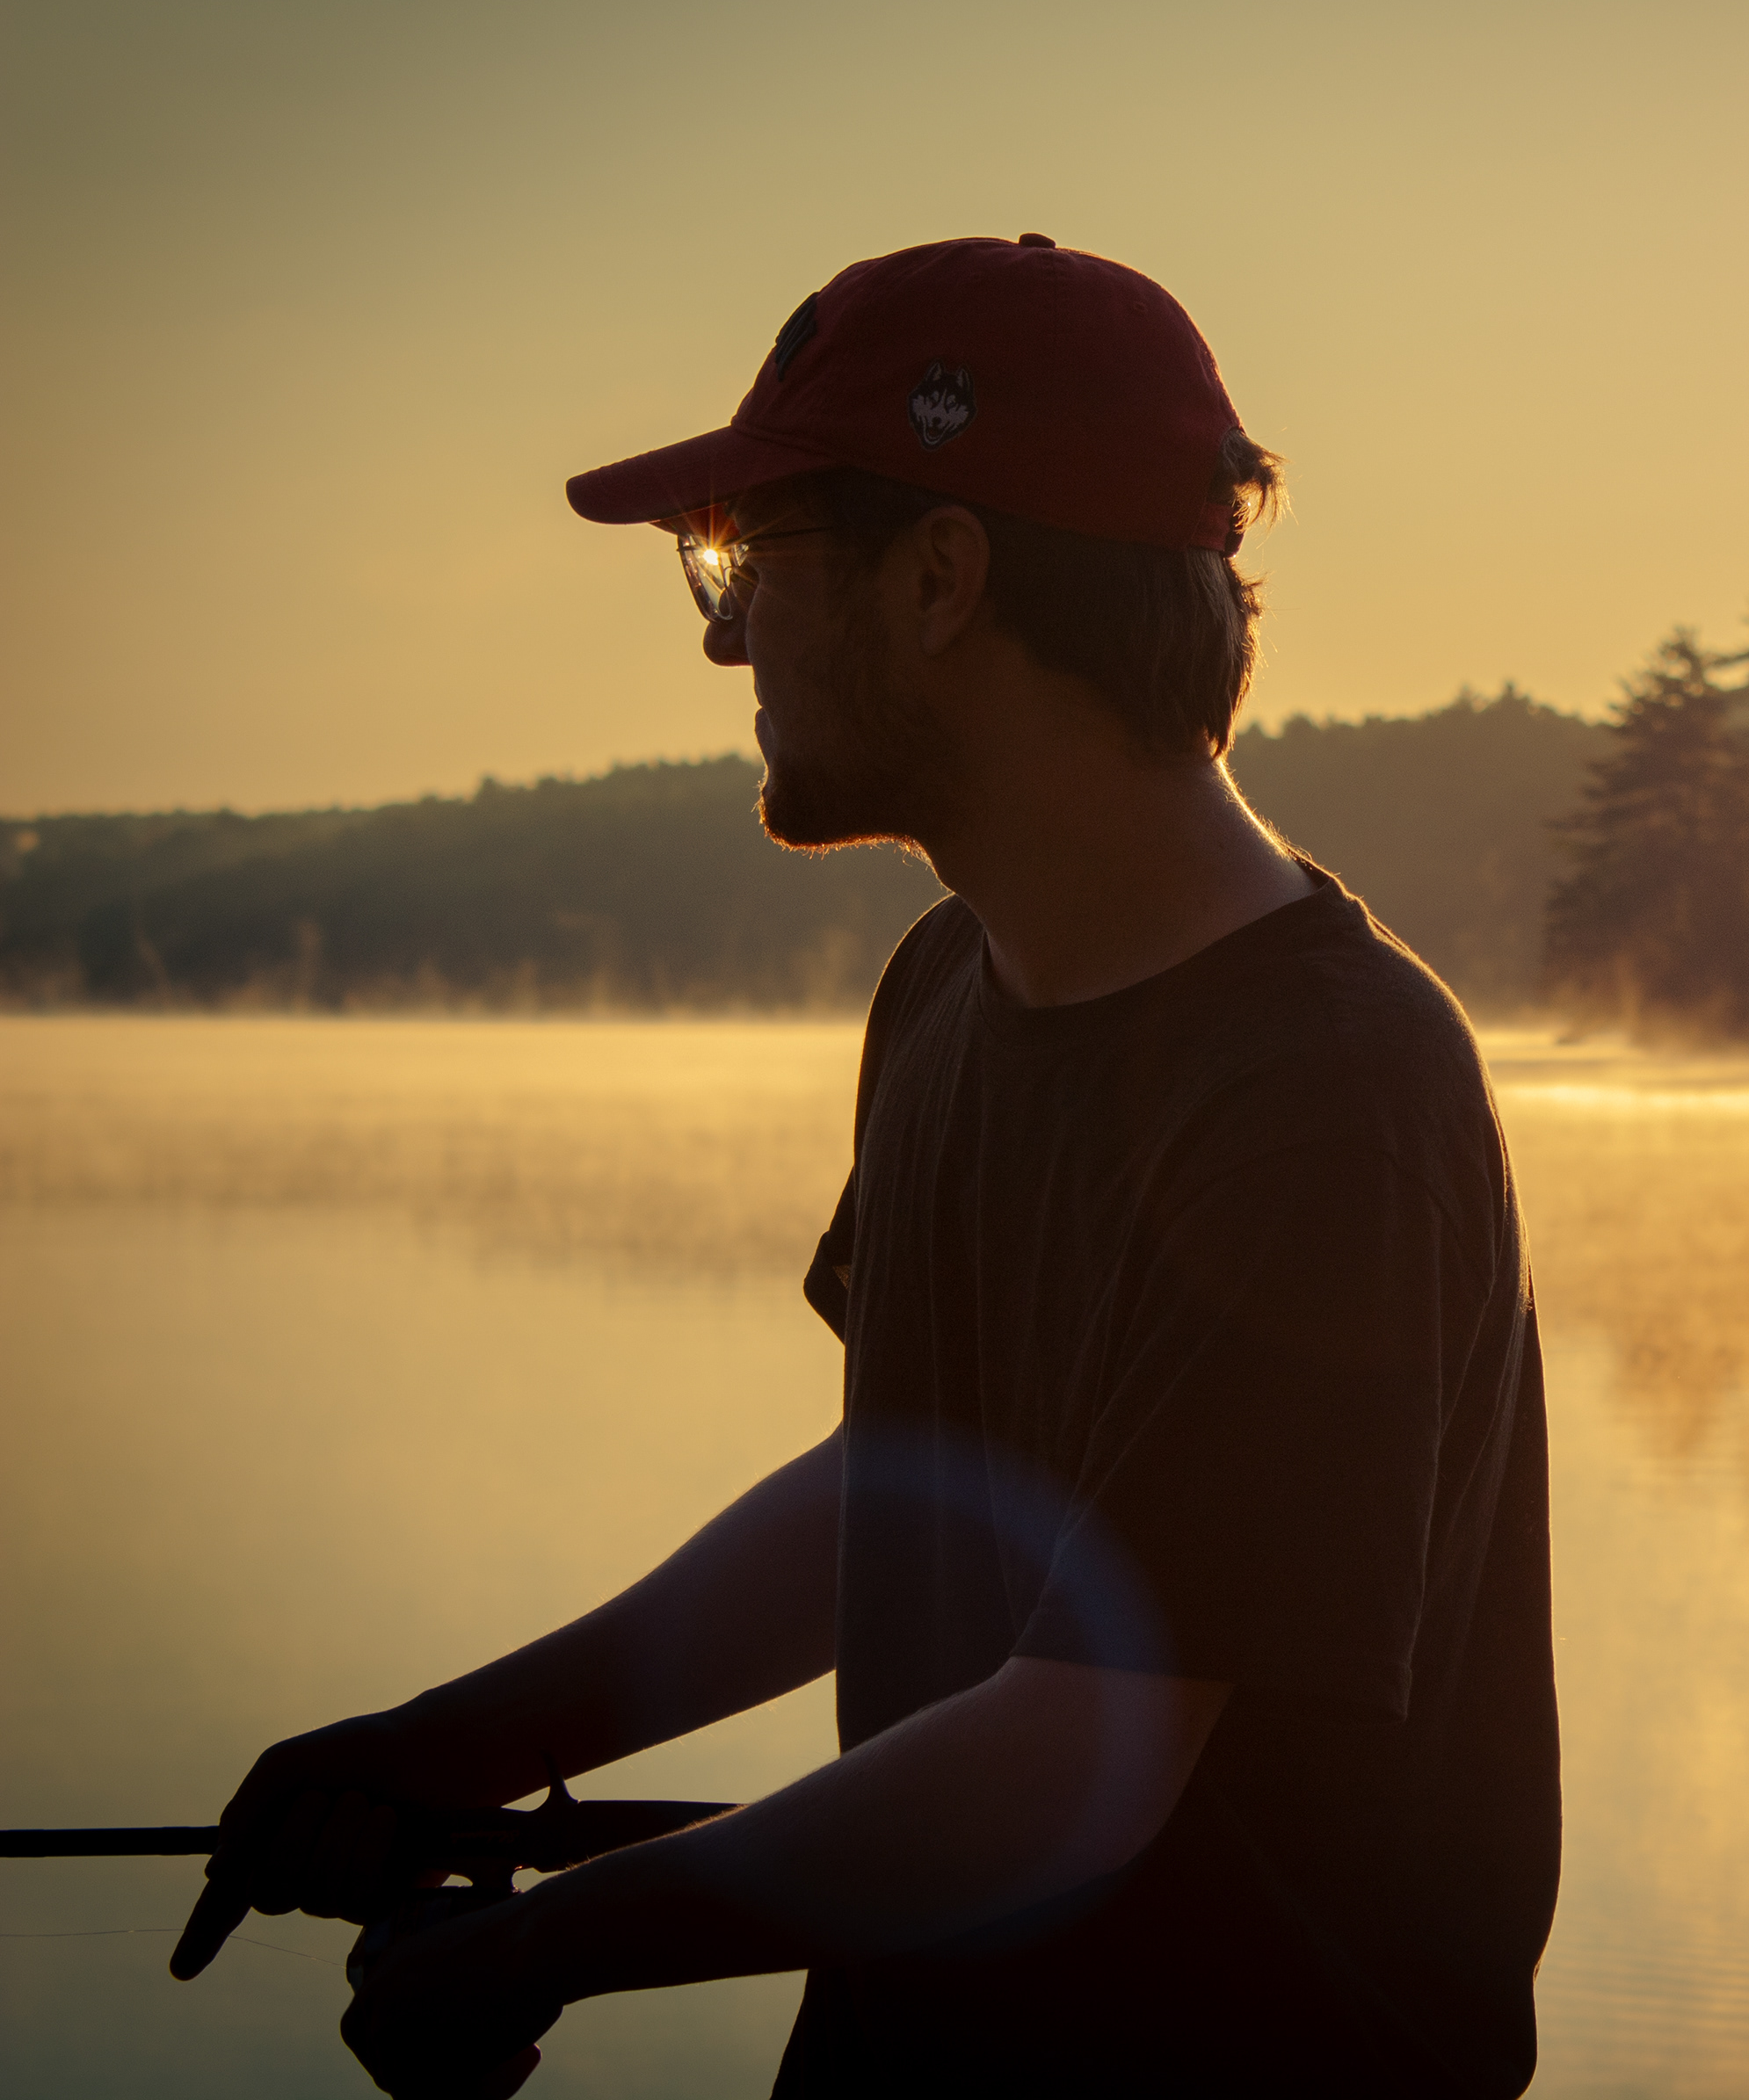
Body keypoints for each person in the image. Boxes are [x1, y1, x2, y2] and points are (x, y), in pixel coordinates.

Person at [173, 235, 1561, 2098]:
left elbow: (1072, 1757)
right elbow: (909, 1489)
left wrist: (533, 1947)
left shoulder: (1330, 1093)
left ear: (939, 577)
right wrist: (456, 1745)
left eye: (749, 556)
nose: (720, 635)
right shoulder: (946, 989)